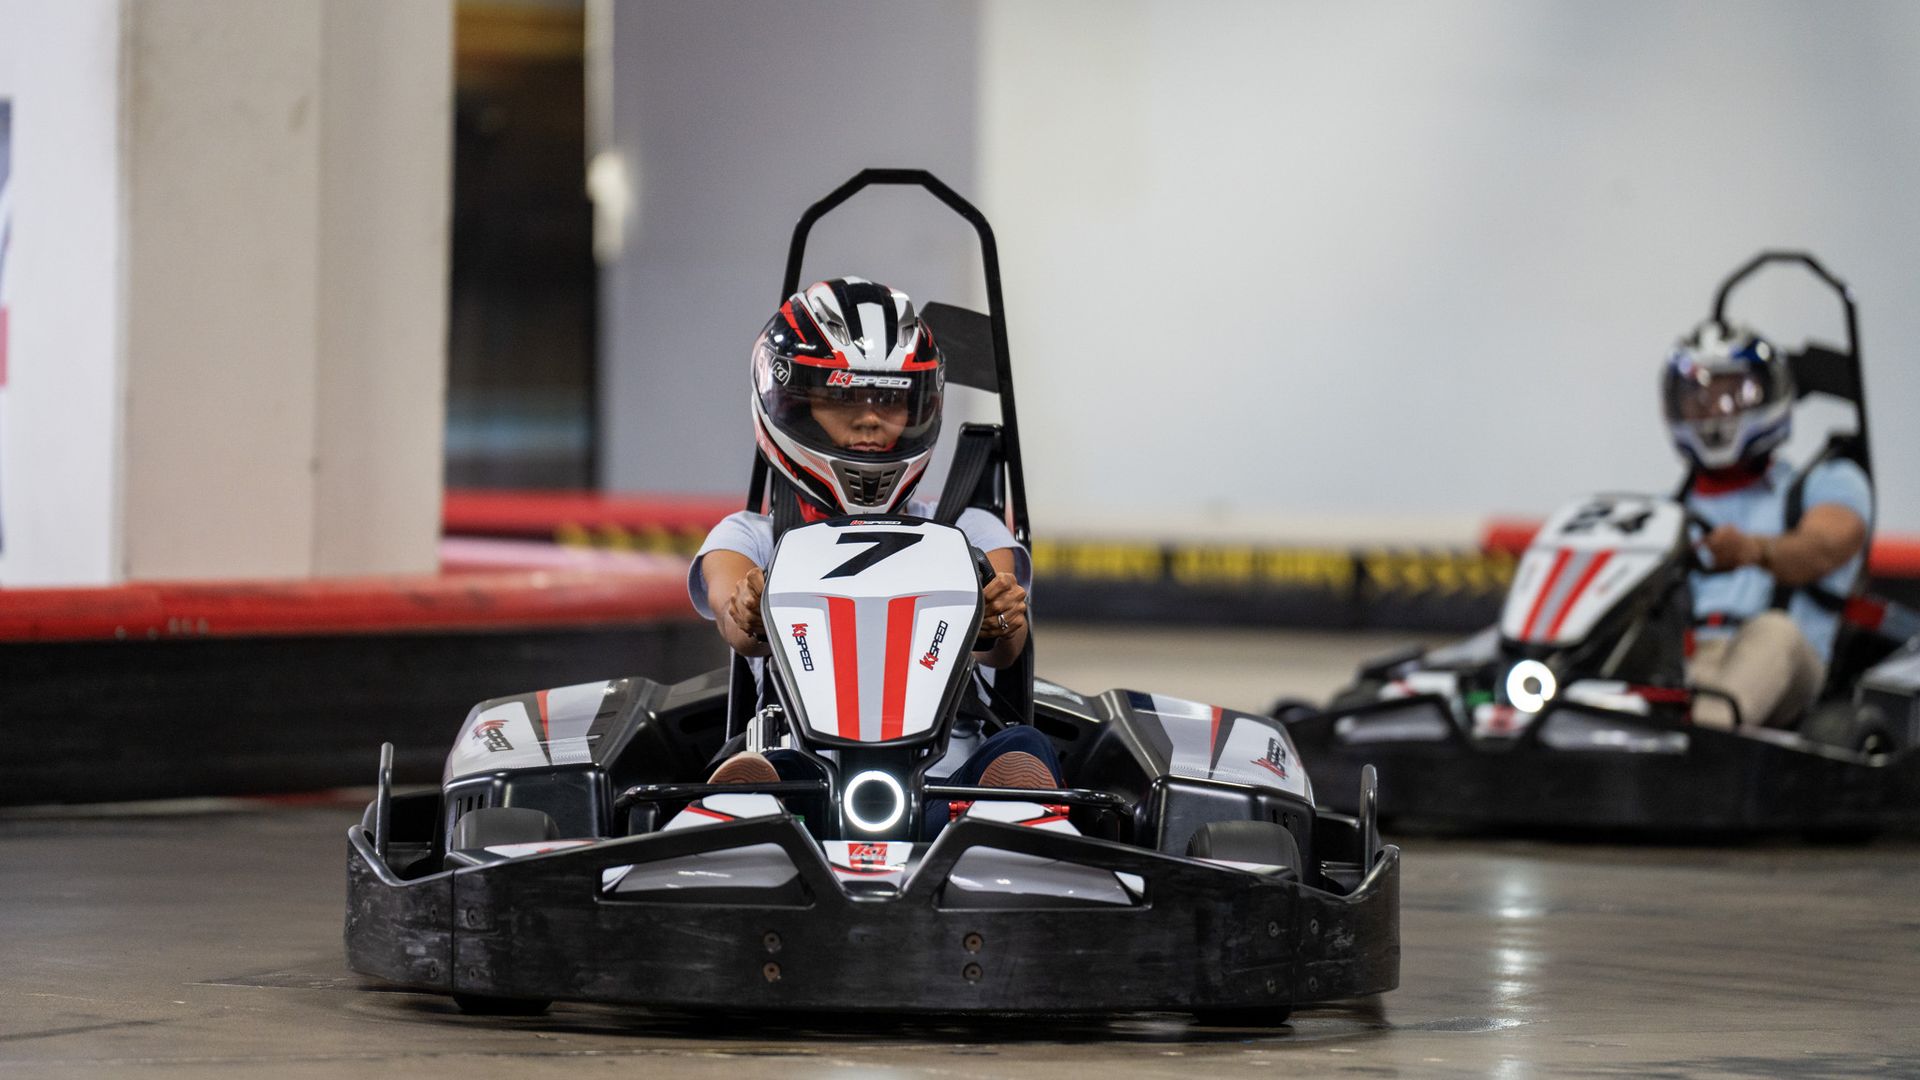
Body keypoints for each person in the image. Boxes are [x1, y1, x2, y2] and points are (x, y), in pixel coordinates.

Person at [690, 277, 1059, 793]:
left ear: (919, 407)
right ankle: (751, 797)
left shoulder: (967, 527)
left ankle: (1014, 808)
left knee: (1022, 748)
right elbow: (733, 617)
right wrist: (747, 613)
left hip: (950, 786)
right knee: (776, 772)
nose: (868, 419)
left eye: (889, 399)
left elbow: (1005, 648)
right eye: (843, 397)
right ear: (793, 404)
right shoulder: (750, 537)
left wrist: (998, 618)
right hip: (808, 777)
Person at [1663, 322, 1872, 729]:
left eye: (1730, 394)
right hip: (1684, 659)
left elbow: (1824, 547)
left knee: (1774, 631)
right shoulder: (1667, 510)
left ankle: (1703, 743)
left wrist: (1753, 551)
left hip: (1787, 667)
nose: (1713, 410)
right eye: (1700, 397)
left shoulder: (1826, 481)